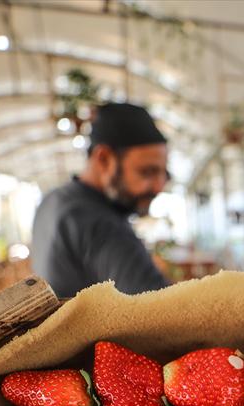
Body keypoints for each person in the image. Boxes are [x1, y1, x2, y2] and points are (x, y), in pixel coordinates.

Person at [31, 103, 170, 296]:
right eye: (147, 172)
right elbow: (163, 312)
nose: (159, 187)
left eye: (164, 174)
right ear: (104, 158)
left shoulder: (53, 200)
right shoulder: (98, 221)